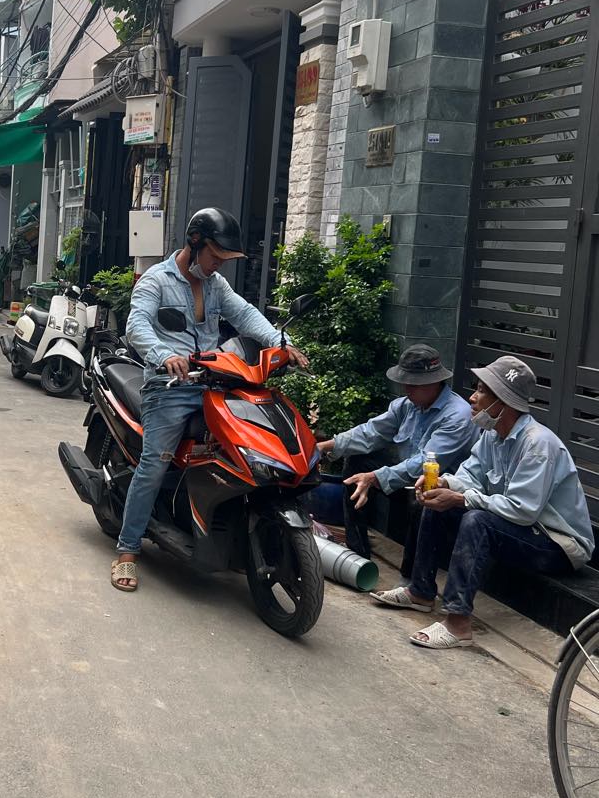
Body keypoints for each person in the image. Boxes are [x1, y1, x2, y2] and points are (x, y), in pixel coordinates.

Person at [110, 207, 309, 592]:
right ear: (195, 244)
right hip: (169, 387)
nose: (219, 264)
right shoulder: (156, 280)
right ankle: (127, 550)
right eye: (215, 256)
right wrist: (165, 355)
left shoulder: (216, 285)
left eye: (224, 259)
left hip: (214, 384)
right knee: (154, 465)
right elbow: (136, 326)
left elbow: (245, 315)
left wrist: (280, 344)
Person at [370, 354, 595, 649]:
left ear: (503, 401)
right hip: (523, 530)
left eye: (481, 391)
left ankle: (458, 623)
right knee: (439, 505)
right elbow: (470, 476)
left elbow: (522, 510)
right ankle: (420, 592)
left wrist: (461, 498)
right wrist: (445, 484)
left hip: (558, 545)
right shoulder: (492, 435)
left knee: (477, 519)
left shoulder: (538, 444)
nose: (472, 398)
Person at [316, 344, 476, 574]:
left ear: (433, 383)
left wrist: (375, 477)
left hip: (438, 485)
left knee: (422, 497)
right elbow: (372, 432)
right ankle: (357, 552)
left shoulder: (457, 415)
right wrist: (325, 446)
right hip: (403, 477)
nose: (406, 389)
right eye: (405, 383)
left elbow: (423, 464)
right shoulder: (407, 405)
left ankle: (411, 578)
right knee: (358, 463)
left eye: (412, 384)